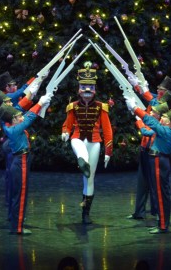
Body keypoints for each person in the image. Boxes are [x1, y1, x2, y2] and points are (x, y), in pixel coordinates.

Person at [61, 62, 113, 224]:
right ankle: (81, 160)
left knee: (89, 179)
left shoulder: (101, 108)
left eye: (90, 86)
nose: (87, 90)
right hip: (77, 138)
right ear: (79, 88)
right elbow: (67, 125)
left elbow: (108, 129)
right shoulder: (73, 107)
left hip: (95, 142)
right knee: (79, 148)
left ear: (95, 89)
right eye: (83, 86)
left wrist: (108, 152)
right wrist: (64, 134)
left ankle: (85, 213)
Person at [125, 94, 171, 234]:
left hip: (159, 161)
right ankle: (162, 223)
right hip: (156, 160)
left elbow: (152, 123)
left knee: (160, 193)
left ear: (170, 123)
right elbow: (150, 126)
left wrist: (135, 108)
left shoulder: (167, 131)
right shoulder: (166, 130)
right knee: (159, 193)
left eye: (165, 118)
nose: (162, 118)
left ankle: (163, 225)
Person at [0, 92, 52, 235]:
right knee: (20, 195)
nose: (21, 116)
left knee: (19, 194)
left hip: (21, 160)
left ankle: (17, 224)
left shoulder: (10, 124)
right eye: (18, 116)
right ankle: (18, 228)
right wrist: (39, 104)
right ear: (14, 120)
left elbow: (24, 114)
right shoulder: (15, 129)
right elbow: (29, 118)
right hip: (20, 161)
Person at [126, 102, 167, 221]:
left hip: (153, 155)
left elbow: (146, 133)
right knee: (142, 183)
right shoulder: (150, 120)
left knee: (154, 186)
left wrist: (138, 120)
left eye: (153, 112)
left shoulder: (159, 125)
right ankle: (139, 212)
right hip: (144, 152)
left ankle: (159, 215)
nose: (150, 112)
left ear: (159, 115)